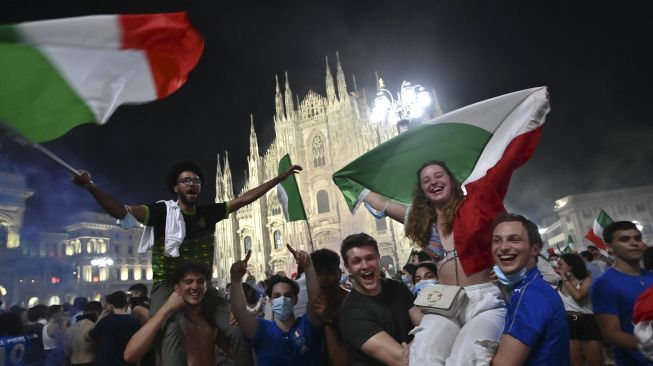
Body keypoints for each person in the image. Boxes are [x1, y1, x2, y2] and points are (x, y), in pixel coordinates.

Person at [73, 160, 301, 365]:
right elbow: (122, 212)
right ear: (176, 187)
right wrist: (91, 186)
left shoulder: (208, 213)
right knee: (172, 329)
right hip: (167, 284)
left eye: (196, 180)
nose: (192, 184)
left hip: (201, 285)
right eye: (186, 180)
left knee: (237, 329)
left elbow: (243, 199)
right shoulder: (162, 212)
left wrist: (279, 179)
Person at [364, 160, 509, 365]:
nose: (433, 181)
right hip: (445, 302)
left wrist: (502, 270)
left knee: (465, 359)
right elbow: (382, 204)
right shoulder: (421, 222)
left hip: (482, 301)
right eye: (426, 180)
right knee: (422, 355)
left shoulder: (476, 209)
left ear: (451, 180)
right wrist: (352, 183)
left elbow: (503, 170)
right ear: (423, 191)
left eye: (439, 175)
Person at [490, 213, 569, 366]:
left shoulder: (531, 296)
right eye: (497, 241)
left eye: (514, 239)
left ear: (535, 249)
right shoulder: (528, 287)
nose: (504, 247)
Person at [230, 245, 324, 366]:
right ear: (270, 301)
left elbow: (316, 300)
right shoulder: (262, 329)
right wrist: (236, 280)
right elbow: (240, 312)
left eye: (288, 295)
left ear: (295, 299)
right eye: (277, 296)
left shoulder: (306, 325)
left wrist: (308, 266)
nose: (283, 299)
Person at [338, 233, 422, 366]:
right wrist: (423, 340)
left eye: (370, 258)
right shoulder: (351, 313)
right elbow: (402, 361)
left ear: (378, 259)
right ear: (348, 268)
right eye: (357, 261)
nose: (365, 265)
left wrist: (416, 342)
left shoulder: (397, 287)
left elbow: (426, 326)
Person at [125, 261, 217, 366]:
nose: (195, 287)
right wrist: (167, 308)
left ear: (206, 287)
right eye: (188, 282)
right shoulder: (167, 323)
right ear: (177, 288)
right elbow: (130, 355)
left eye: (200, 281)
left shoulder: (210, 321)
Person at [590, 221, 653, 365]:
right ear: (609, 248)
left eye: (637, 238)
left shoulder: (651, 275)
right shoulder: (604, 284)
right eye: (625, 239)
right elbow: (611, 334)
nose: (634, 243)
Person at [556, 253, 603, 366]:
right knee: (575, 362)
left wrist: (564, 278)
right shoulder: (560, 282)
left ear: (571, 266)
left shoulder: (586, 280)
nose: (558, 266)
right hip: (569, 321)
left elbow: (578, 296)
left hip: (586, 320)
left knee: (594, 362)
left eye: (561, 264)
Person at [310, 248, 350, 366]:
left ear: (339, 273)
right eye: (317, 274)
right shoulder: (311, 306)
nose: (324, 279)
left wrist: (328, 320)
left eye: (329, 272)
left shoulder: (352, 304)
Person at [89, 291, 140, 366]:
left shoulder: (105, 321)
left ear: (111, 305)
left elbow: (90, 336)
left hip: (105, 362)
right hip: (126, 362)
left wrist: (101, 316)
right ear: (126, 304)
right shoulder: (135, 321)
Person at [64, 301, 102, 366]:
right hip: (90, 362)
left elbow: (66, 352)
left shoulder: (70, 329)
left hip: (73, 363)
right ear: (98, 312)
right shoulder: (95, 327)